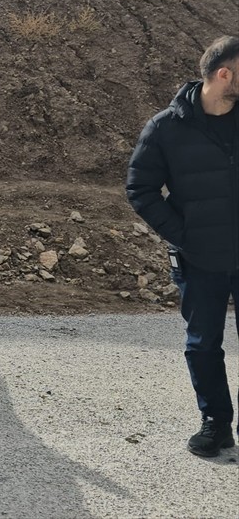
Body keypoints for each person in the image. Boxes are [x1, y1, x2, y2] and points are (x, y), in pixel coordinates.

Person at [127, 35, 239, 457]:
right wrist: (184, 234)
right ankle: (216, 424)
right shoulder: (166, 127)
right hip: (200, 258)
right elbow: (141, 189)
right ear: (224, 74)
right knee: (203, 344)